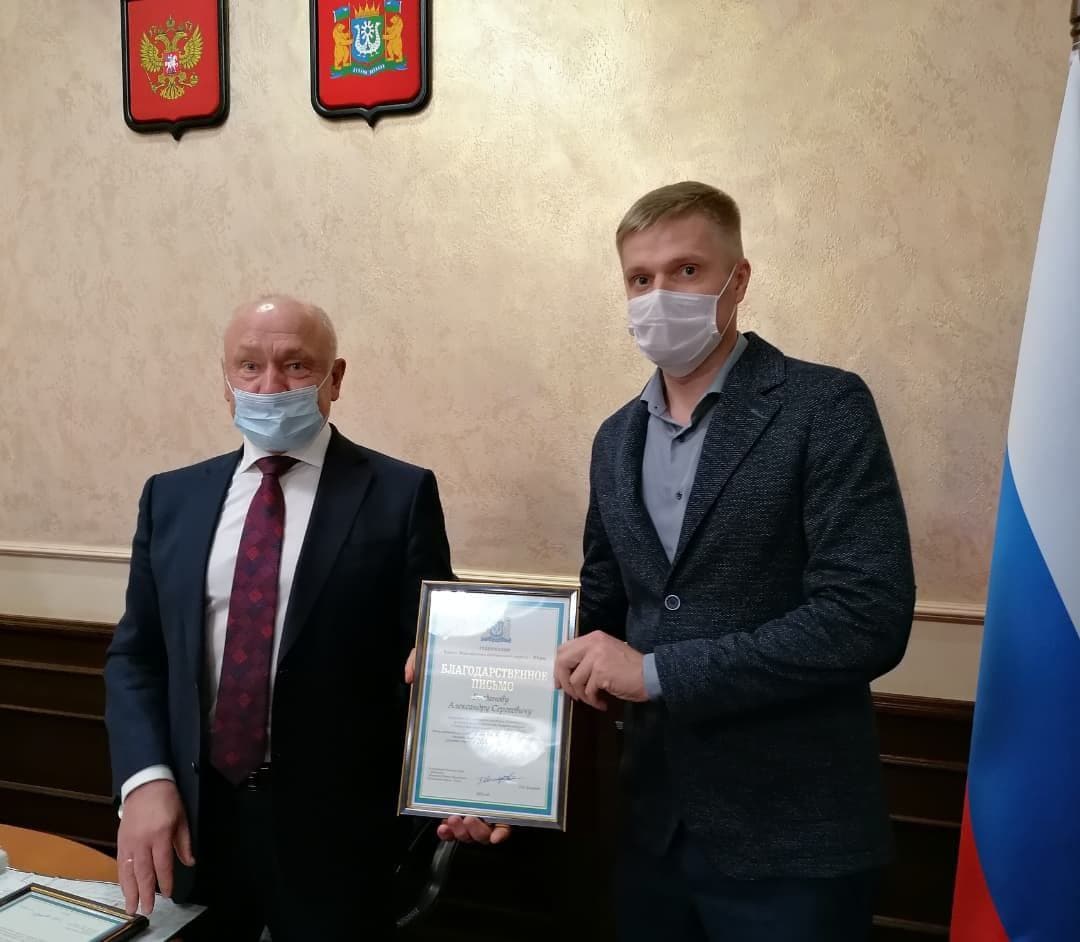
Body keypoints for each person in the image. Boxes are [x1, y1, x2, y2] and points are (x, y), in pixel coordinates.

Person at [555, 182, 915, 942]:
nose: (659, 295)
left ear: (738, 279)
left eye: (686, 270)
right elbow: (598, 615)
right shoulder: (613, 439)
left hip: (794, 841)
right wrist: (474, 679)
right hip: (651, 831)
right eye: (640, 278)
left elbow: (865, 619)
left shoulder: (825, 407)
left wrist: (658, 673)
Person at [104, 295, 503, 941]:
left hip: (337, 836)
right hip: (193, 821)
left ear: (334, 378)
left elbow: (439, 656)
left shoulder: (400, 495)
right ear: (225, 381)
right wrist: (144, 781)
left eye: (296, 365)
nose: (270, 385)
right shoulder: (170, 497)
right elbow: (137, 656)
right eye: (249, 366)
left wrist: (479, 782)